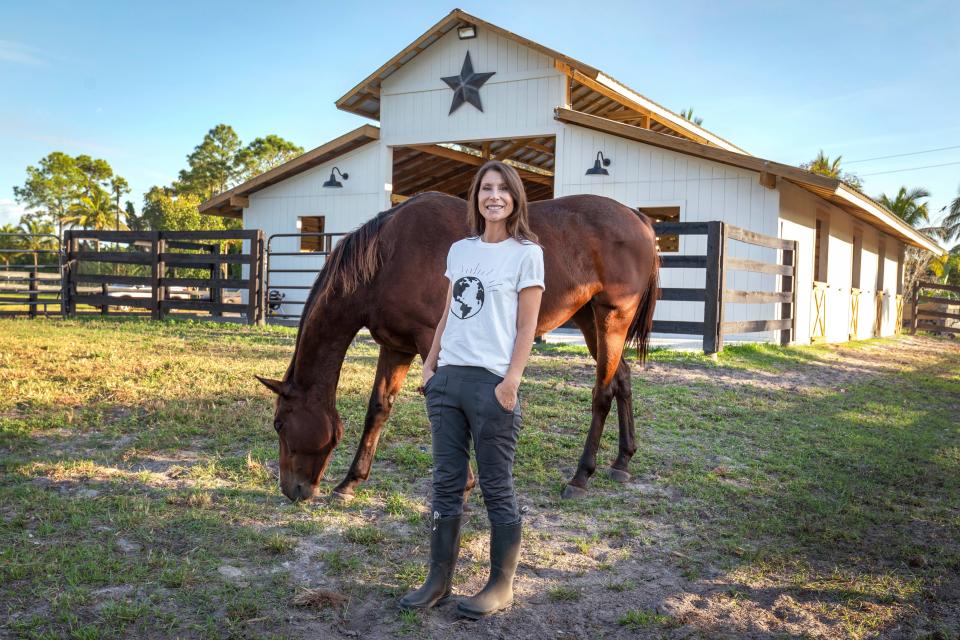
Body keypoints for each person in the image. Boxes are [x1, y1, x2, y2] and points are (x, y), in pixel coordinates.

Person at [399, 160, 544, 619]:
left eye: (503, 189)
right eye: (486, 188)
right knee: (446, 483)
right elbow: (447, 314)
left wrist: (512, 381)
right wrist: (430, 365)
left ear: (515, 197)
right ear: (476, 197)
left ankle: (501, 585)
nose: (494, 196)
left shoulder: (527, 254)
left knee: (496, 486)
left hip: (493, 384)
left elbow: (527, 326)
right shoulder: (460, 250)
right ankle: (437, 580)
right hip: (448, 381)